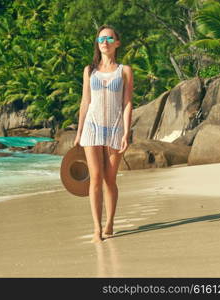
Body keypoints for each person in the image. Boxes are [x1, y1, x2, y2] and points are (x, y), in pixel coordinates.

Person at [74, 24, 133, 243]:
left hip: (116, 129)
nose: (104, 43)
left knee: (110, 179)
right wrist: (79, 132)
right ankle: (97, 229)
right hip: (92, 128)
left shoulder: (124, 70)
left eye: (109, 39)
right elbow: (85, 102)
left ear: (117, 43)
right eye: (100, 40)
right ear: (97, 44)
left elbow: (127, 103)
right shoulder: (90, 70)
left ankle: (110, 222)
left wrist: (127, 132)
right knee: (95, 178)